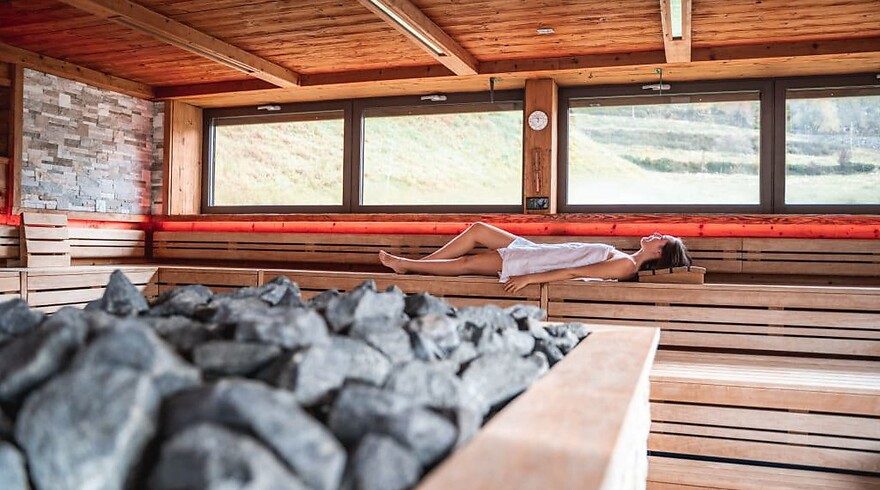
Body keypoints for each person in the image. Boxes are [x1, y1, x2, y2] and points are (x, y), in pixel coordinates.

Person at [378, 222, 692, 292]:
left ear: (659, 252)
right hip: (538, 252)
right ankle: (420, 267)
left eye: (660, 238)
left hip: (535, 264)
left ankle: (409, 267)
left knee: (466, 264)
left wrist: (528, 277)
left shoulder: (626, 265)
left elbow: (573, 272)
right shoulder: (625, 258)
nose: (655, 234)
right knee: (478, 230)